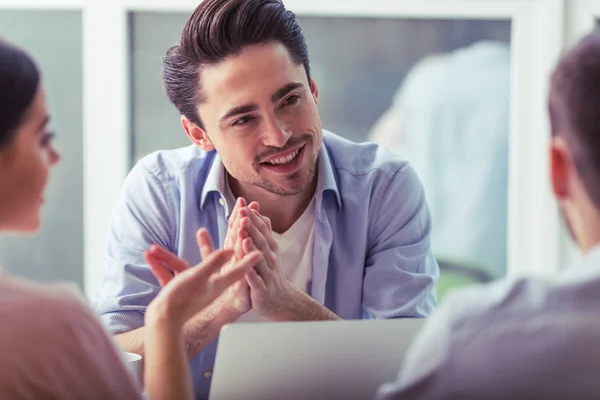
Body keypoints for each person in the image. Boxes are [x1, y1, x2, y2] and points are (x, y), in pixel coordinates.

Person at [92, 0, 439, 397]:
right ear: (199, 134)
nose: (279, 136)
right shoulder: (158, 191)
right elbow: (104, 366)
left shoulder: (385, 187)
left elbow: (412, 375)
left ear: (312, 90)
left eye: (290, 100)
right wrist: (221, 310)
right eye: (244, 119)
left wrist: (286, 304)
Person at [0, 39, 262, 400]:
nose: (55, 156)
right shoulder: (52, 325)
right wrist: (166, 321)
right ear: (198, 133)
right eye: (43, 137)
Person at [376, 32, 600, 399]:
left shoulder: (472, 338)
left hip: (440, 269)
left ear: (556, 169)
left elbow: (383, 146)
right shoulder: (512, 76)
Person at [370, 41, 510, 281]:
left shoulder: (425, 80)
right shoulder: (525, 76)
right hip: (499, 271)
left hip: (425, 266)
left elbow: (376, 157)